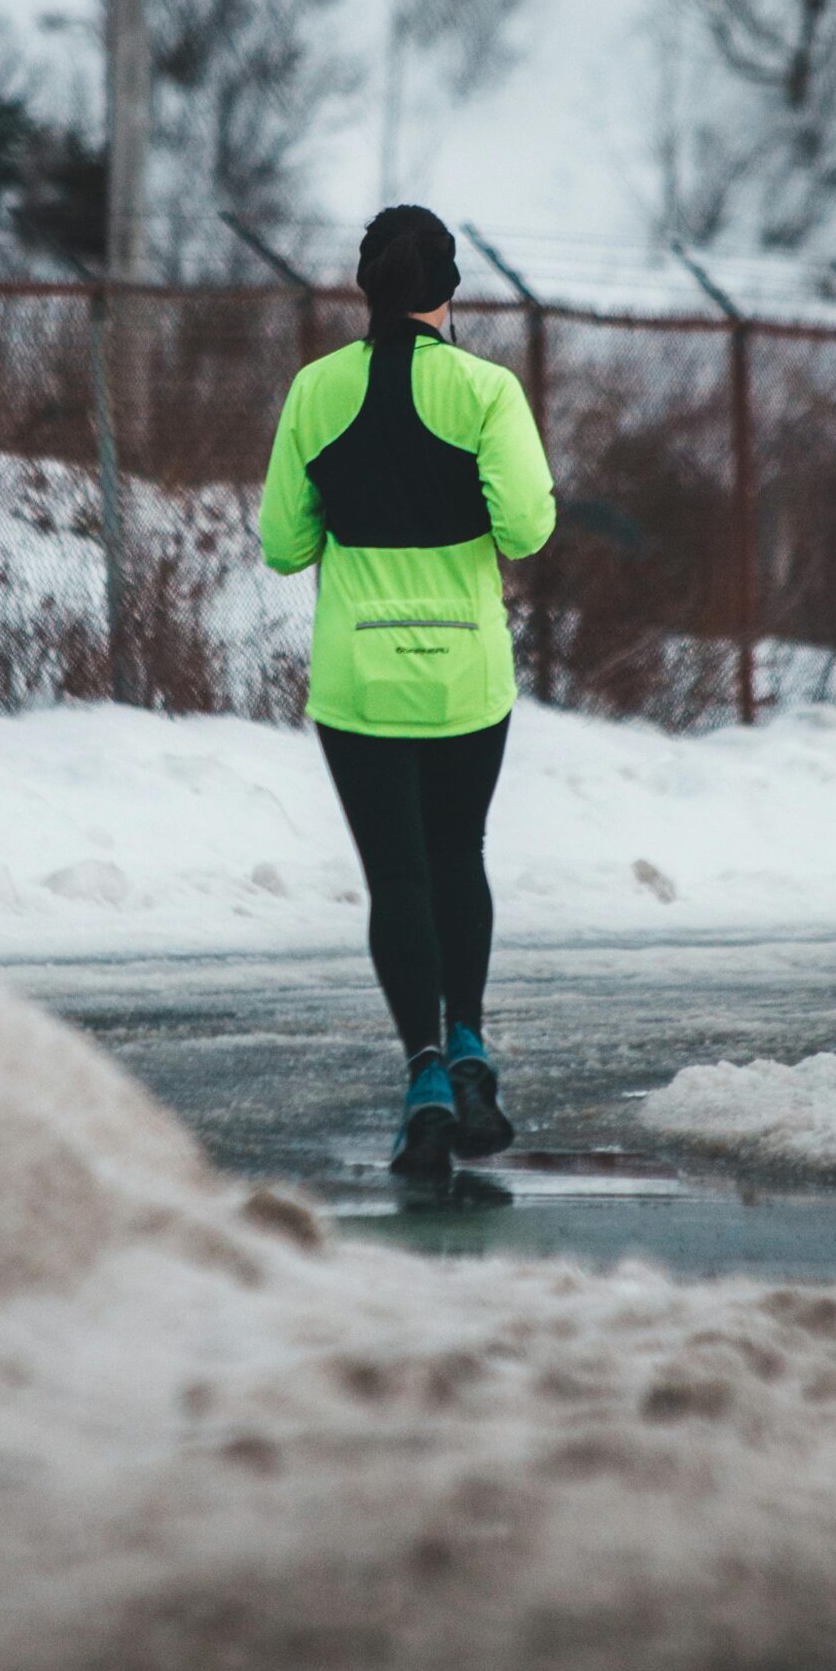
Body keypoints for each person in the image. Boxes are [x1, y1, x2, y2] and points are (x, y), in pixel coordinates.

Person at [259, 204, 556, 1179]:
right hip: (467, 673)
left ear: (366, 287)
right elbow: (524, 530)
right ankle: (469, 1041)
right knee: (457, 852)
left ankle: (425, 1077)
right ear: (449, 290)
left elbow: (284, 543)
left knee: (399, 877)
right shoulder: (487, 392)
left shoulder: (316, 390)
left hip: (360, 680)